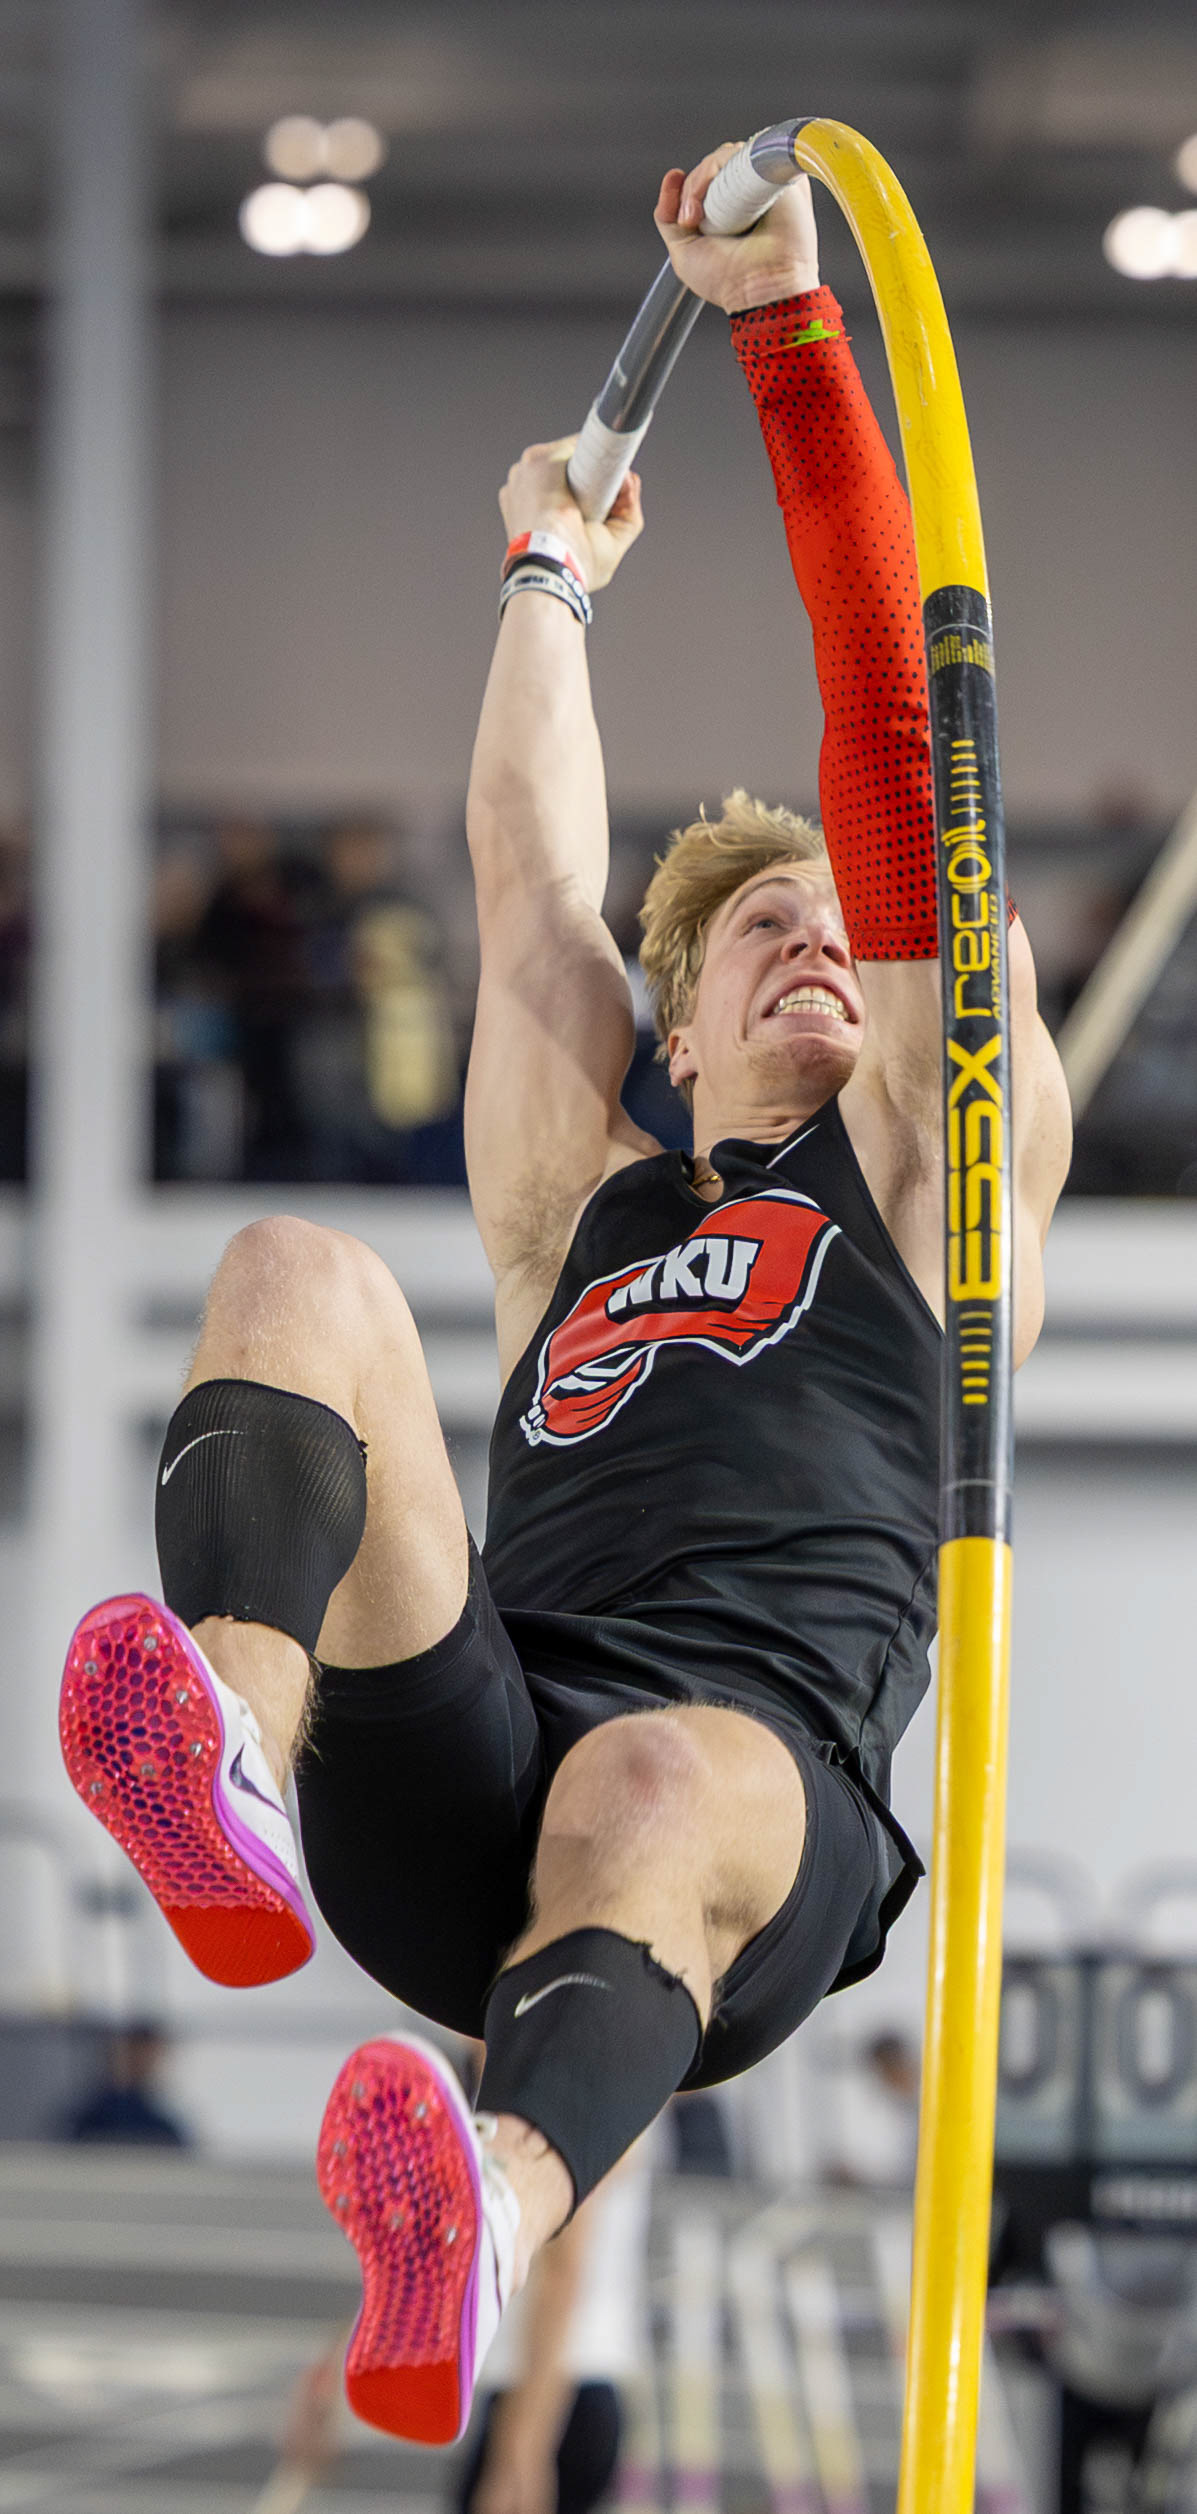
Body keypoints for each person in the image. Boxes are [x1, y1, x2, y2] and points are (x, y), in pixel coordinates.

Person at [59, 149, 1071, 2453]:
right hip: (467, 1767)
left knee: (643, 1772)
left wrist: (786, 333)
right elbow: (527, 877)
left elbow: (890, 736)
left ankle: (488, 2219)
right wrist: (546, 573)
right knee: (295, 1271)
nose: (816, 938)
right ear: (672, 1028)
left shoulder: (929, 1175)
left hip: (740, 1813)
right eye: (754, 931)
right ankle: (229, 1748)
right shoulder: (577, 1208)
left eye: (839, 924)